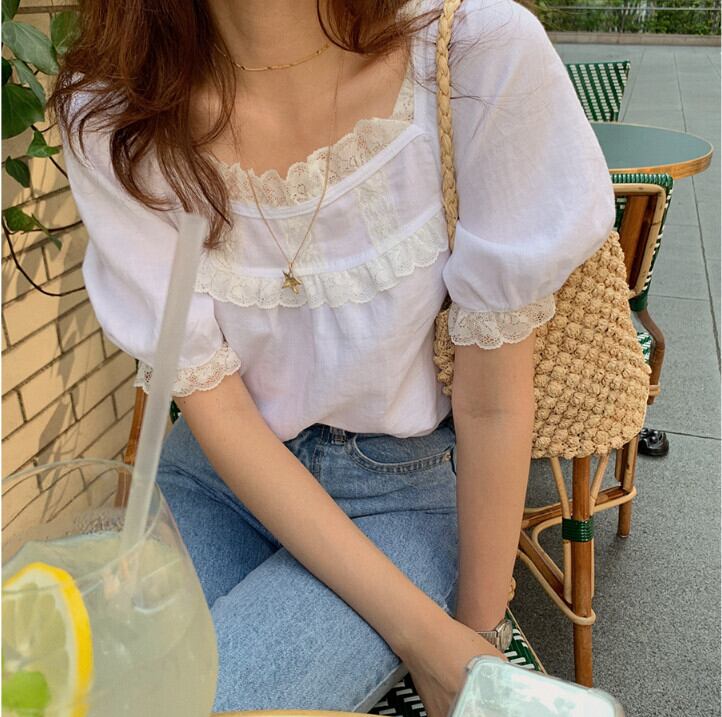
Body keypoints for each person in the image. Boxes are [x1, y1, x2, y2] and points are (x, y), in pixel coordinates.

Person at [49, 0, 615, 714]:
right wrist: (424, 637)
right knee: (78, 690)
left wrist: (470, 640)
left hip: (398, 493)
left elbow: (492, 399)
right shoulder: (116, 112)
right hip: (217, 475)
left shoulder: (473, 53)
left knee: (206, 701)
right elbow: (213, 400)